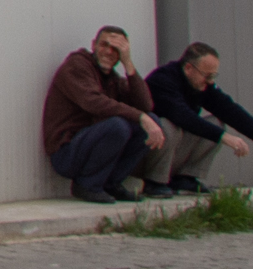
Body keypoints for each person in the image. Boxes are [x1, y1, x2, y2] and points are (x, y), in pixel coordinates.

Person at [39, 24, 166, 202]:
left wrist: (128, 65)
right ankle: (87, 185)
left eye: (115, 49)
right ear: (94, 45)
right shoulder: (77, 66)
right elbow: (94, 103)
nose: (108, 52)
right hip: (66, 153)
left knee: (151, 122)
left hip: (90, 148)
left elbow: (145, 106)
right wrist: (140, 117)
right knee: (118, 126)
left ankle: (110, 184)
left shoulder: (112, 78)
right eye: (104, 45)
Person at [148, 42, 253, 192]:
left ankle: (184, 178)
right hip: (146, 152)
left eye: (213, 76)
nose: (210, 81)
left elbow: (229, 110)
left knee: (216, 123)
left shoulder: (202, 86)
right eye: (207, 75)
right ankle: (154, 181)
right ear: (188, 68)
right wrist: (224, 137)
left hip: (171, 151)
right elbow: (183, 117)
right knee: (169, 126)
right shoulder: (162, 80)